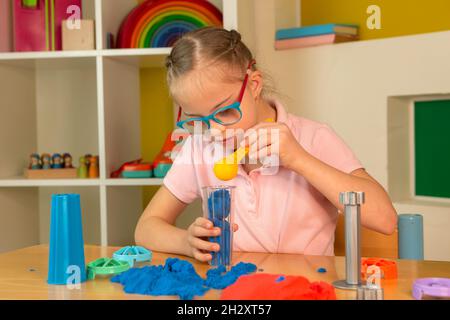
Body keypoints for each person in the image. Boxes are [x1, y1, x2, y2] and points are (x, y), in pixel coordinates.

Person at [135, 27, 397, 261]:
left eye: (224, 112)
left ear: (254, 85)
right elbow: (146, 227)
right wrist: (186, 241)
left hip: (306, 289)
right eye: (198, 120)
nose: (214, 131)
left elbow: (384, 219)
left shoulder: (314, 138)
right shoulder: (199, 146)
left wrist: (299, 159)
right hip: (234, 291)